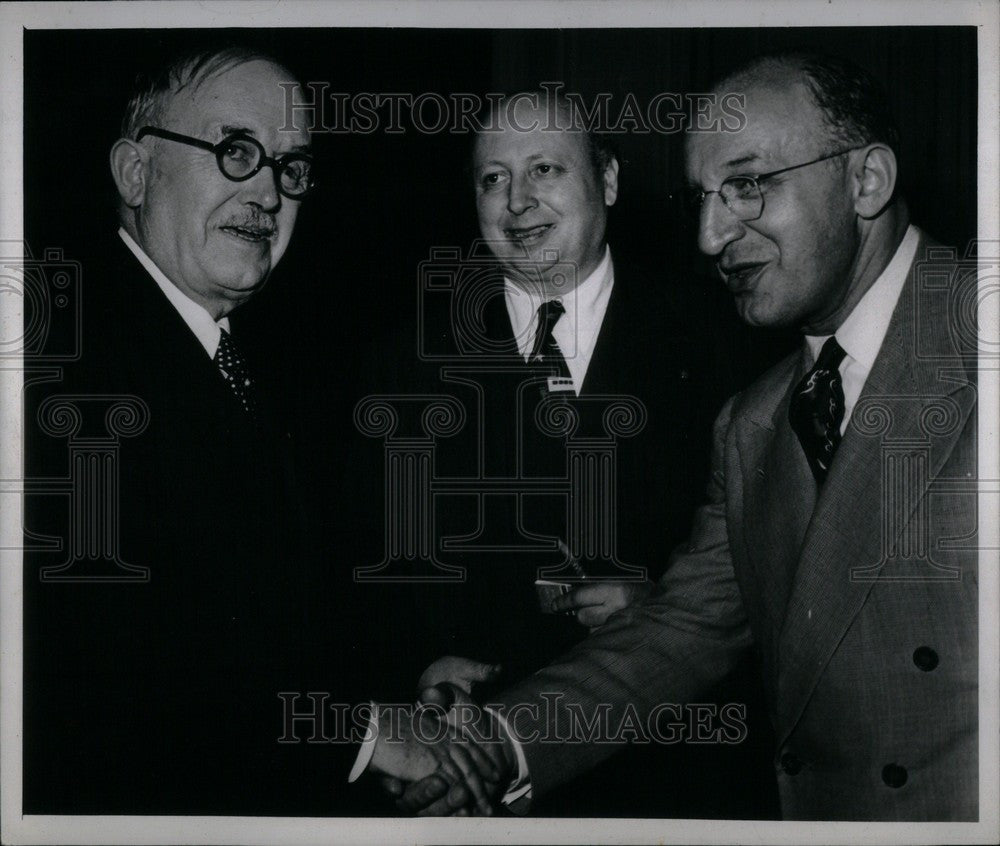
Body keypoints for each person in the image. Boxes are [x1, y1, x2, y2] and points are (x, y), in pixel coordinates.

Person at [385, 51, 978, 821]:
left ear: (865, 181)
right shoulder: (756, 422)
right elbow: (683, 629)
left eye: (746, 184)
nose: (707, 234)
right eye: (701, 196)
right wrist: (500, 742)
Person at [21, 45, 429, 816]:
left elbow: (291, 611)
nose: (270, 193)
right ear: (136, 174)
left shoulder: (254, 360)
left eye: (291, 166)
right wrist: (366, 736)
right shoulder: (60, 367)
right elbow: (108, 680)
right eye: (235, 151)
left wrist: (412, 677)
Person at [349, 92, 778, 817]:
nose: (517, 202)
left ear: (607, 180)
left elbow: (776, 577)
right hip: (467, 767)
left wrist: (660, 613)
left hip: (673, 771)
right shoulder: (399, 363)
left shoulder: (729, 342)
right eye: (492, 178)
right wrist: (415, 666)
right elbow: (358, 564)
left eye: (545, 168)